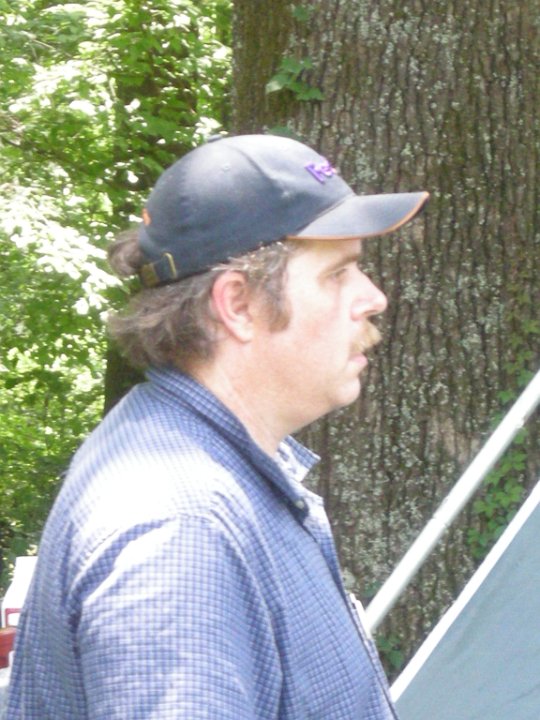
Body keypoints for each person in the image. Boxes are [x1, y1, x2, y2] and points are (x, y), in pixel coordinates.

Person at [6, 134, 428, 719]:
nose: (373, 298)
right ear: (238, 305)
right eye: (337, 274)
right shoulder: (180, 534)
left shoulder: (216, 467)